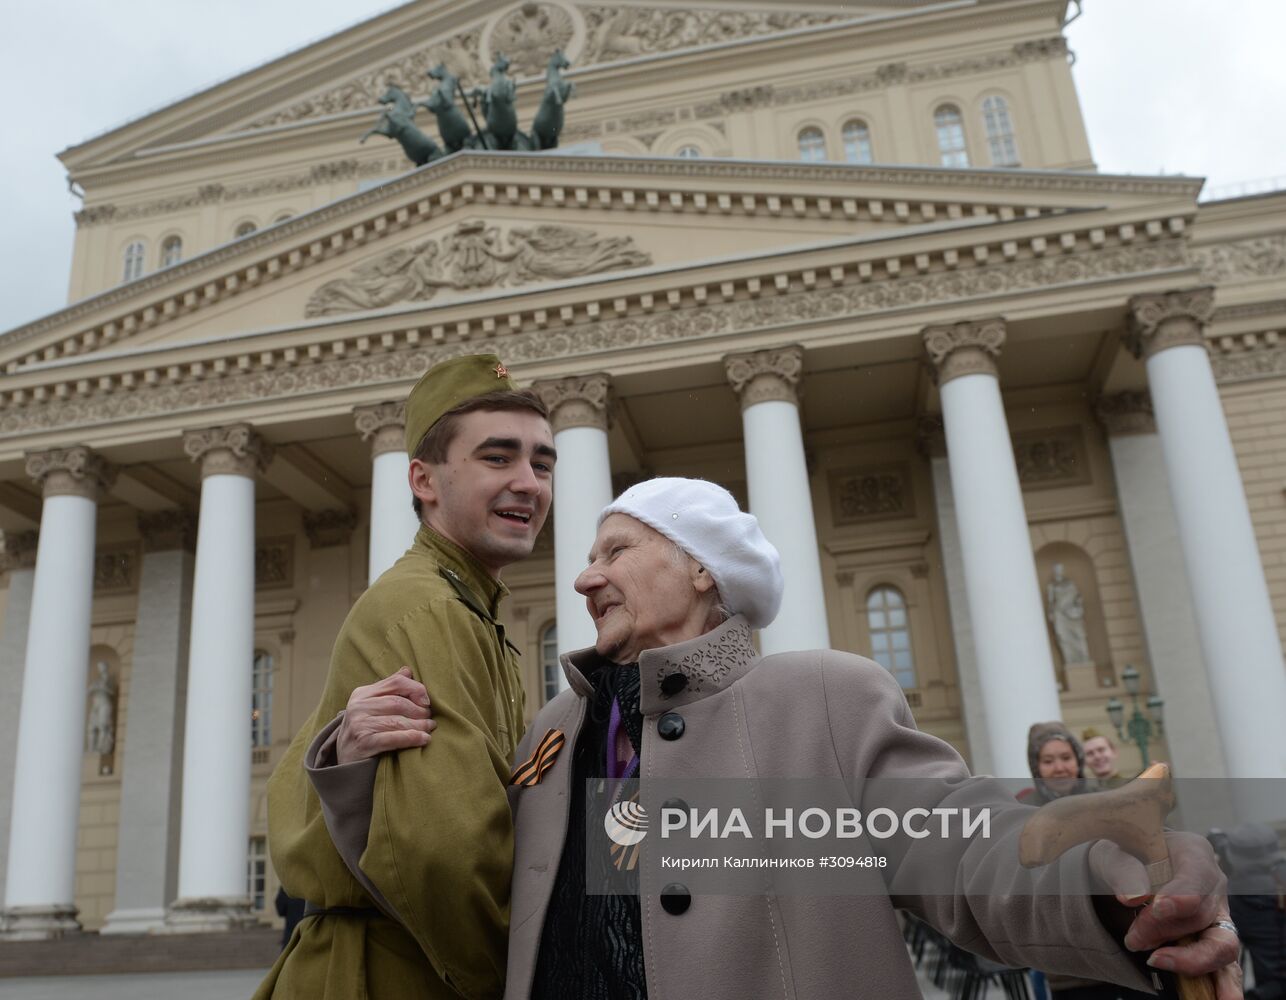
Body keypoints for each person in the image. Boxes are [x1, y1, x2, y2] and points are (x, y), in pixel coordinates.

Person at [320, 478, 1242, 999]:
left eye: (613, 552)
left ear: (700, 571)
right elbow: (460, 883)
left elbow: (960, 843)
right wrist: (363, 775)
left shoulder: (821, 700)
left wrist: (1100, 873)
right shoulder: (552, 737)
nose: (583, 580)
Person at [253, 353, 555, 1000]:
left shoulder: (460, 605)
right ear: (423, 480)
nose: (529, 482)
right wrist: (521, 982)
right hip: (392, 974)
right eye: (498, 458)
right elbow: (449, 853)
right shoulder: (428, 609)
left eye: (542, 462)